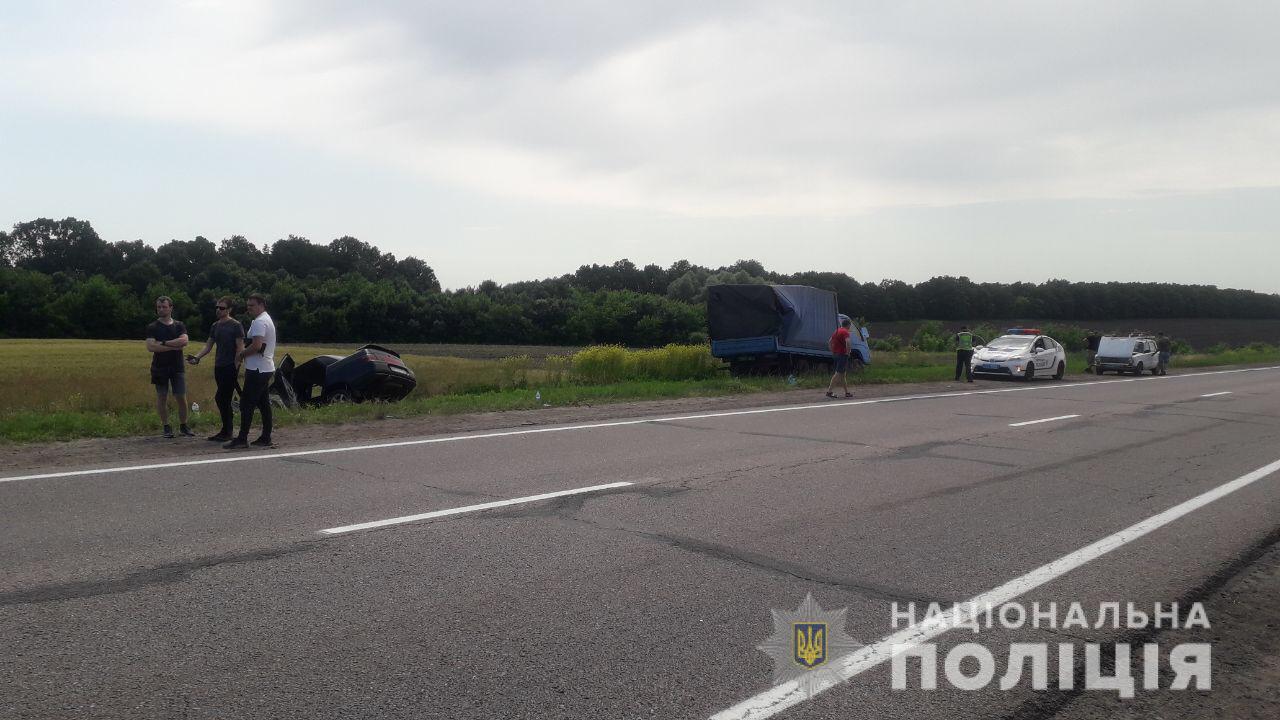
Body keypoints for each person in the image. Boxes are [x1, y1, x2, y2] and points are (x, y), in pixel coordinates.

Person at [187, 296, 245, 442]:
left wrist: (236, 365)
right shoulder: (215, 326)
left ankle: (228, 430)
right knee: (223, 399)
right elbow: (208, 346)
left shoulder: (236, 325)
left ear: (230, 309)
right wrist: (197, 357)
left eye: (222, 308)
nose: (218, 310)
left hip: (230, 366)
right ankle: (226, 430)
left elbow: (240, 347)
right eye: (217, 307)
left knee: (221, 398)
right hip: (218, 366)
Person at [225, 293, 277, 450]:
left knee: (246, 404)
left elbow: (256, 346)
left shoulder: (260, 322)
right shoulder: (264, 319)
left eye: (252, 305)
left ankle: (242, 438)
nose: (249, 308)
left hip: (257, 368)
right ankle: (266, 437)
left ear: (261, 305)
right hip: (264, 367)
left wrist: (241, 354)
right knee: (263, 403)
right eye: (247, 306)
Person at [145, 296, 193, 438]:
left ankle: (184, 425)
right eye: (159, 307)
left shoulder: (179, 325)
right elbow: (150, 347)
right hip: (159, 368)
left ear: (171, 308)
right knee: (162, 397)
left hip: (177, 367)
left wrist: (163, 343)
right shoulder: (152, 327)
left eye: (164, 307)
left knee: (181, 396)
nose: (161, 309)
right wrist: (174, 346)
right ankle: (166, 426)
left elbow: (184, 341)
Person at [825, 318, 854, 398]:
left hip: (836, 354)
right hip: (842, 355)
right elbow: (848, 342)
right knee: (838, 373)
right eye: (850, 325)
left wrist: (832, 351)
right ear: (848, 325)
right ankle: (829, 392)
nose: (850, 327)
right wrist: (848, 353)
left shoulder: (837, 331)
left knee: (842, 374)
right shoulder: (845, 332)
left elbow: (829, 342)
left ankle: (847, 392)